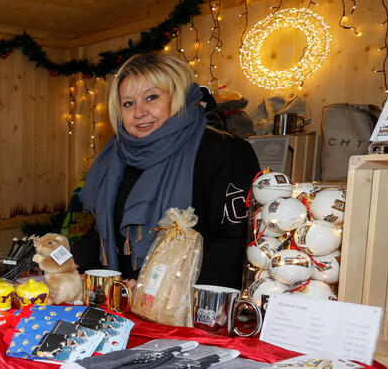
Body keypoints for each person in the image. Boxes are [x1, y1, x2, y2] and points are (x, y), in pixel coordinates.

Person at [71, 53, 259, 289]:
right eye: (128, 103)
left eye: (151, 97)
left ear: (177, 98)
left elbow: (234, 245)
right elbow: (103, 233)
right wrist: (66, 262)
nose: (139, 112)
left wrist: (151, 282)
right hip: (124, 302)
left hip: (192, 309)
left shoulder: (223, 152)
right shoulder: (116, 158)